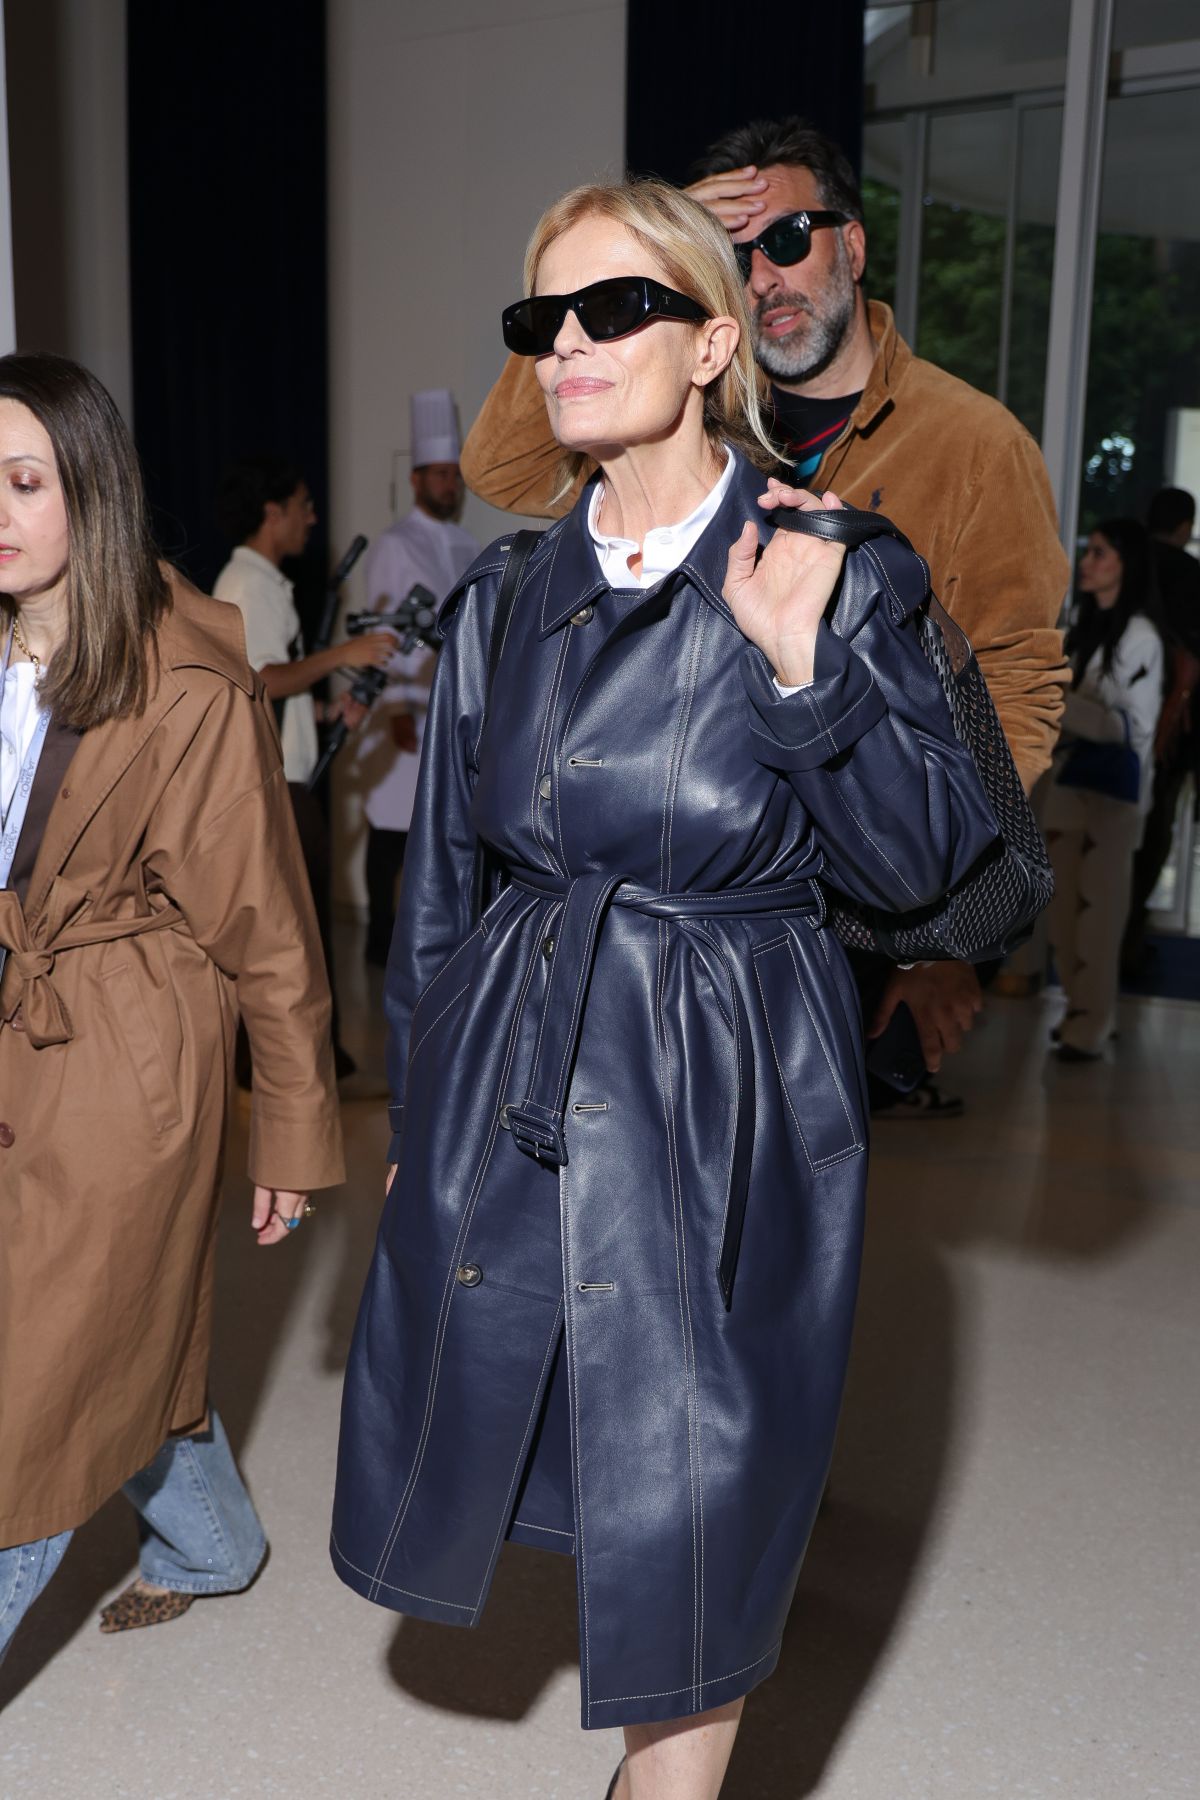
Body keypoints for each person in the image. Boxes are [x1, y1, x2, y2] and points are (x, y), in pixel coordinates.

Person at [331, 181, 1000, 1800]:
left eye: (611, 310)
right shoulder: (504, 597)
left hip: (731, 1081)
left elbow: (939, 873)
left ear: (712, 342)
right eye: (539, 320)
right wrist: (425, 1119)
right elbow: (446, 899)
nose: (564, 347)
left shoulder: (833, 561)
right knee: (561, 1448)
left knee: (702, 1499)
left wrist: (800, 673)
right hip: (520, 1068)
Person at [460, 116, 1070, 1118]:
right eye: (734, 253)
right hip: (678, 894)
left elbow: (1013, 681)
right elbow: (505, 465)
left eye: (788, 238)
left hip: (855, 894)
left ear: (855, 247)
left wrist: (937, 922)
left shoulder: (972, 442)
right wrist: (657, 262)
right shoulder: (686, 422)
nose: (765, 273)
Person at [0, 353, 344, 1656]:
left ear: (92, 490)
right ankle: (213, 1538)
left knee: (31, 1387)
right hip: (18, 1029)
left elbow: (267, 921)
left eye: (26, 481)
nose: (0, 511)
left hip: (125, 1057)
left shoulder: (185, 681)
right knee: (107, 1328)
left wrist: (296, 1137)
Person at [213, 455, 395, 1077]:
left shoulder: (264, 583)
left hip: (288, 775)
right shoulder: (246, 587)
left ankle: (312, 1057)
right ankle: (285, 1062)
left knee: (302, 927)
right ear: (273, 513)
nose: (312, 518)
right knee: (294, 932)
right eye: (302, 507)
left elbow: (276, 694)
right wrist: (344, 651)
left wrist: (326, 716)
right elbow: (259, 680)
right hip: (273, 789)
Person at [356, 390, 479, 966]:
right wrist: (400, 708)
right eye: (438, 475)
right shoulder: (394, 544)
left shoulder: (465, 544)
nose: (448, 485)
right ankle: (379, 940)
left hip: (452, 710)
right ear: (416, 480)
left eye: (454, 475)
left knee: (438, 830)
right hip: (407, 708)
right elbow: (383, 631)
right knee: (392, 829)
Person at [1045, 519, 1166, 1061]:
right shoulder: (1083, 628)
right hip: (1070, 782)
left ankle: (1089, 1025)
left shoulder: (1141, 636)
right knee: (1065, 913)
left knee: (1099, 916)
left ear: (1125, 563)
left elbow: (1133, 729)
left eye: (1099, 553)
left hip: (1115, 793)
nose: (1088, 561)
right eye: (1088, 551)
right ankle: (1081, 1011)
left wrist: (1062, 703)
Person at [1122, 487, 1200, 970]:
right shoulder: (1191, 573)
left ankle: (1101, 940)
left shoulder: (1128, 563)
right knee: (1154, 832)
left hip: (1120, 714)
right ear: (1184, 527)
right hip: (1174, 723)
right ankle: (1129, 939)